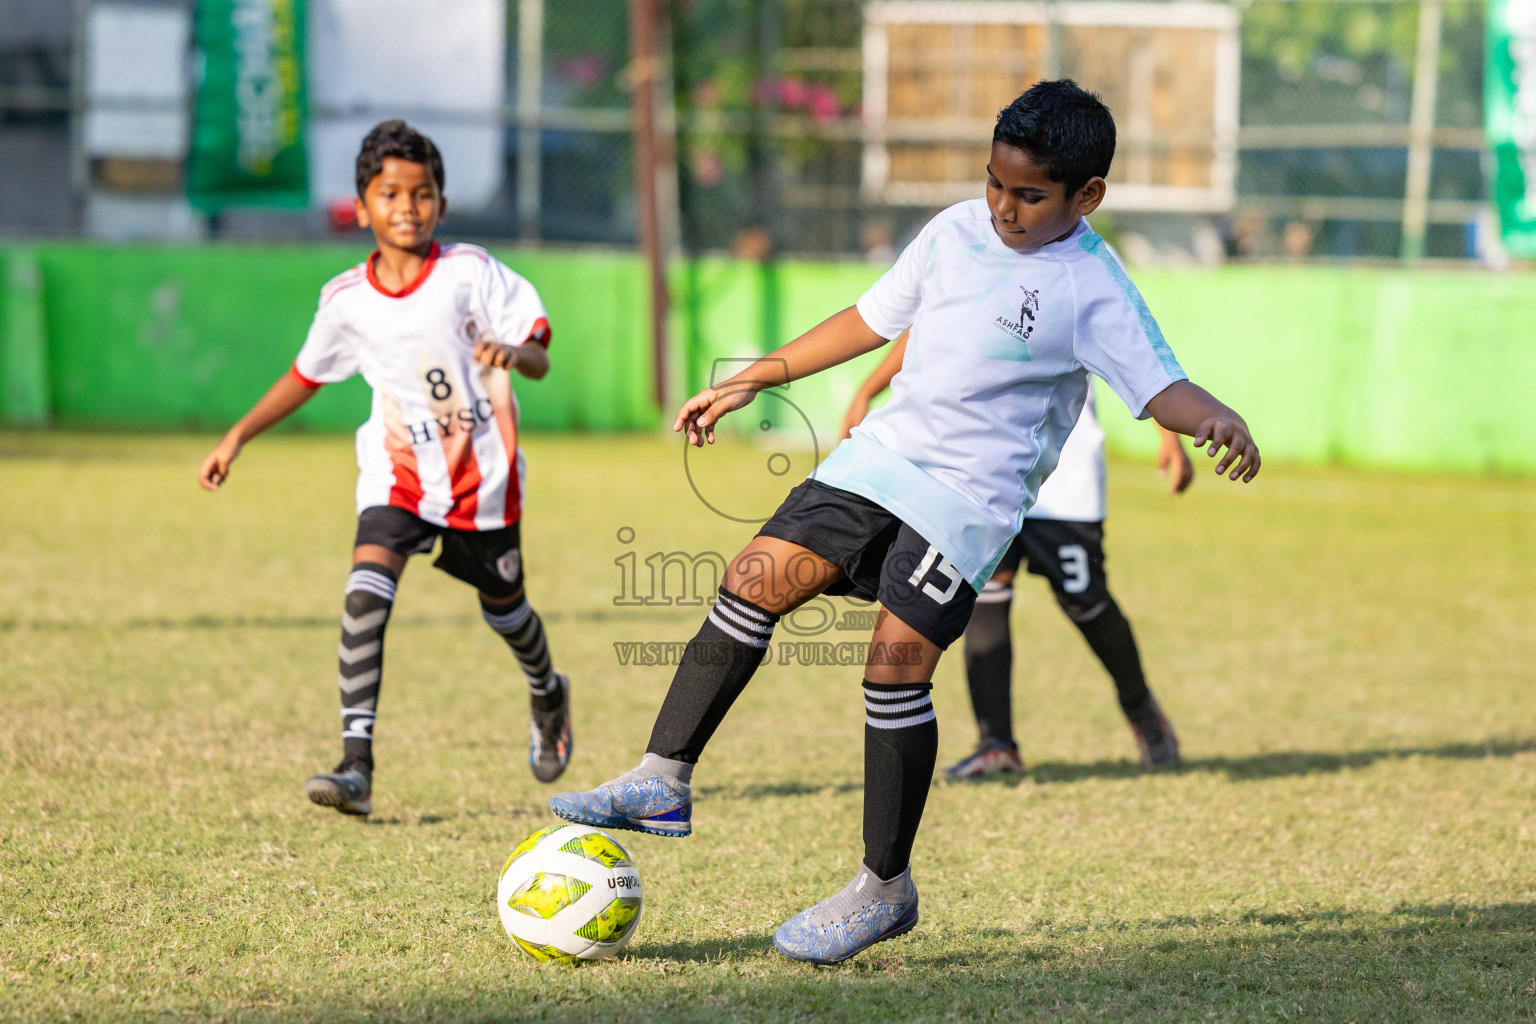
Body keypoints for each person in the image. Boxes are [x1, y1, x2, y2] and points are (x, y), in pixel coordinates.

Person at [550, 80, 1261, 964]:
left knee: (891, 671)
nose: (1004, 205)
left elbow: (1160, 387)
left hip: (969, 500)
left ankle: (883, 886)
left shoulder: (1093, 286)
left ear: (1088, 196)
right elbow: (868, 318)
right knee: (752, 578)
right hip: (881, 458)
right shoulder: (957, 229)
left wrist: (1217, 417)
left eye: (1030, 194)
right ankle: (662, 778)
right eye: (996, 182)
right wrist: (756, 378)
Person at [198, 120, 571, 815]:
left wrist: (514, 356)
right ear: (362, 205)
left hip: (481, 481)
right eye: (390, 193)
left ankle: (549, 692)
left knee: (507, 613)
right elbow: (304, 375)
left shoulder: (471, 273)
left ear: (442, 204)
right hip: (397, 478)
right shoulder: (346, 301)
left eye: (422, 193)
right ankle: (355, 766)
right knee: (365, 595)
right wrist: (239, 435)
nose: (407, 206)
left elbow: (540, 355)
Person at [840, 334, 1192, 776]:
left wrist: (1170, 435)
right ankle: (996, 745)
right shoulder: (971, 264)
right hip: (986, 473)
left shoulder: (1080, 268)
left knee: (1085, 600)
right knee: (985, 597)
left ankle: (1141, 708)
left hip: (1064, 475)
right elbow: (925, 323)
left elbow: (1134, 350)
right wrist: (867, 391)